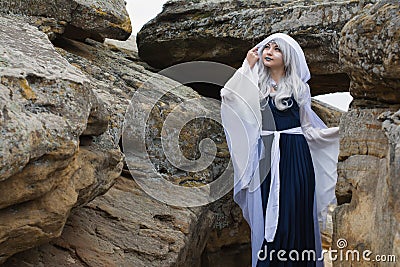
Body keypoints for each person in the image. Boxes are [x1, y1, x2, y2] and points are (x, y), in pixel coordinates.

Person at [220, 33, 340, 267]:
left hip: (296, 157)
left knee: (294, 216)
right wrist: (247, 64)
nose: (269, 51)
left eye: (277, 49)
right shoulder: (255, 84)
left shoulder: (299, 88)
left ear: (288, 58)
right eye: (267, 47)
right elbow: (227, 96)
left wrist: (336, 134)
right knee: (267, 217)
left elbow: (308, 127)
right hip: (266, 156)